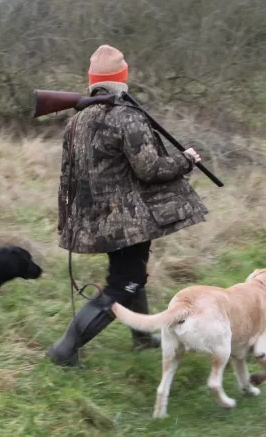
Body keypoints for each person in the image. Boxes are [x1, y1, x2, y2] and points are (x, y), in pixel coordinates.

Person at [45, 44, 209, 367]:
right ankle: (64, 350)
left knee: (131, 274)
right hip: (127, 222)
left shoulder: (75, 121)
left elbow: (66, 177)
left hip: (97, 220)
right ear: (122, 78)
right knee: (124, 283)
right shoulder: (126, 117)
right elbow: (150, 169)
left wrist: (66, 219)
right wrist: (186, 160)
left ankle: (141, 338)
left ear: (92, 80)